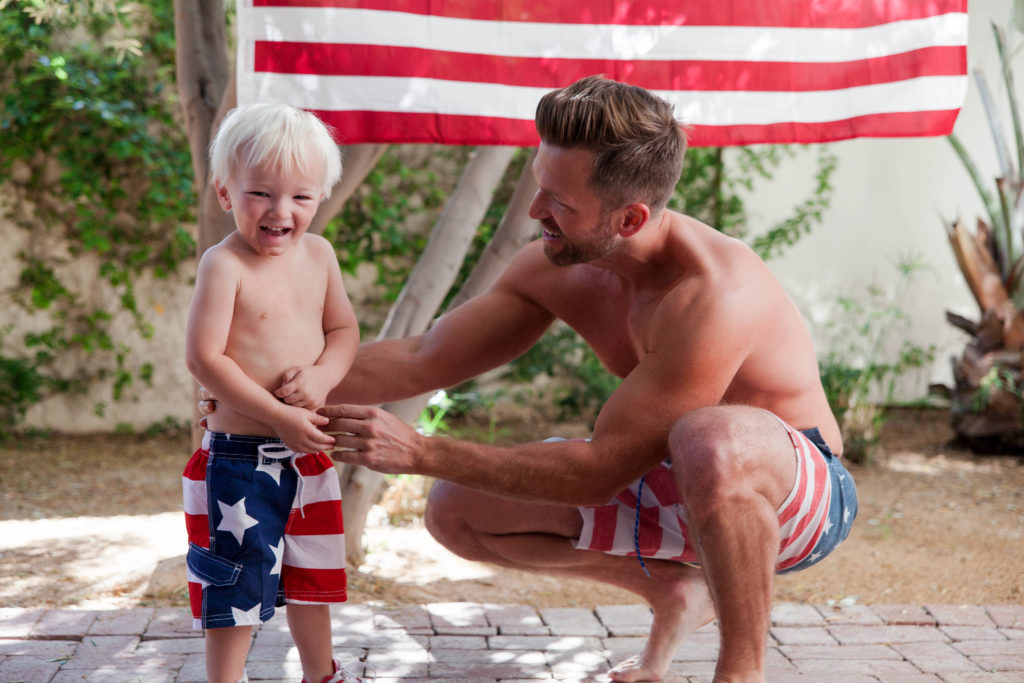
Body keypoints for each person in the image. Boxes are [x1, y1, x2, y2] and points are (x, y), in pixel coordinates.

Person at [202, 76, 858, 683]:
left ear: (629, 218)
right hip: (674, 484)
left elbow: (600, 470)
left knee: (711, 437)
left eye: (559, 201)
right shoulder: (556, 264)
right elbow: (422, 358)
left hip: (795, 494)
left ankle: (740, 671)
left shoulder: (715, 294)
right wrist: (263, 389)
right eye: (537, 182)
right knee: (455, 510)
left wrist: (422, 450)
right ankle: (670, 587)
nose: (535, 207)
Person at [184, 103, 363, 683]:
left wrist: (323, 377)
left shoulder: (321, 256)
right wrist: (275, 415)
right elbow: (205, 358)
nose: (281, 212)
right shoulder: (224, 265)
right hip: (240, 458)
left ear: (320, 197)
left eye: (301, 197)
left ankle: (321, 673)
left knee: (313, 576)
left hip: (309, 452)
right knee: (236, 578)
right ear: (225, 193)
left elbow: (343, 330)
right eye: (261, 192)